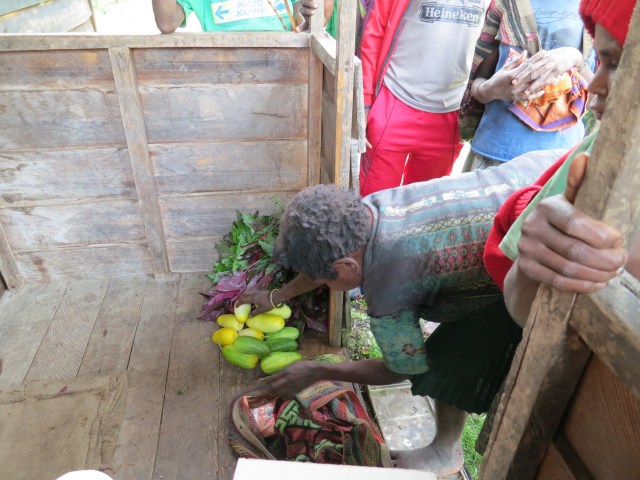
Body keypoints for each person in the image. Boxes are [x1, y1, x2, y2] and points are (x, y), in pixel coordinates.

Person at [238, 149, 559, 476]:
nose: (320, 282)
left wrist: (317, 371)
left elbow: (402, 368)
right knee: (452, 345)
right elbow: (322, 266)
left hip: (539, 244)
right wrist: (278, 295)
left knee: (453, 358)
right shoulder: (367, 212)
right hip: (542, 172)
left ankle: (444, 452)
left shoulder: (389, 282)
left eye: (323, 279)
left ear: (347, 267)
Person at [483, 0, 637, 325]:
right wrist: (492, 90)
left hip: (558, 139)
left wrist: (574, 57)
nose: (594, 86)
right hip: (501, 144)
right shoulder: (595, 159)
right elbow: (524, 305)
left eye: (617, 65)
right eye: (605, 61)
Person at [358, 0, 492, 197]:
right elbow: (373, 34)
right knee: (374, 204)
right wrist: (365, 102)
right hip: (394, 100)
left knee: (426, 208)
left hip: (451, 114)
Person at [461, 0, 594, 171]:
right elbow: (478, 84)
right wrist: (492, 90)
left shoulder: (600, 10)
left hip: (558, 164)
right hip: (493, 154)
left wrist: (575, 58)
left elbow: (605, 96)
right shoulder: (507, 4)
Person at [152, 0, 331, 34]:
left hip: (282, 80)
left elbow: (315, 13)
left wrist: (313, 13)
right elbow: (167, 22)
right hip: (223, 85)